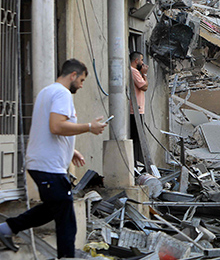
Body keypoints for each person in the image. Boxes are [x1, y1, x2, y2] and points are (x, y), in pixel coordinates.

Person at [0, 59, 107, 258]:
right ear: (73, 75)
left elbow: (47, 128)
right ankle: (66, 257)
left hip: (43, 164)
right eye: (82, 80)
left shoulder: (46, 91)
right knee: (67, 220)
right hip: (48, 167)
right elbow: (56, 126)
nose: (82, 85)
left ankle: (5, 229)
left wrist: (70, 149)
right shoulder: (62, 93)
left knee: (52, 209)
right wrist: (89, 127)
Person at [130, 51, 148, 166]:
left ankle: (137, 165)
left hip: (138, 110)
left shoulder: (135, 72)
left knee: (137, 139)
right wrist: (144, 74)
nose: (142, 62)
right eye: (141, 60)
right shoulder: (134, 71)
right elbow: (144, 86)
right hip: (135, 111)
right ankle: (135, 165)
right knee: (136, 139)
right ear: (136, 61)